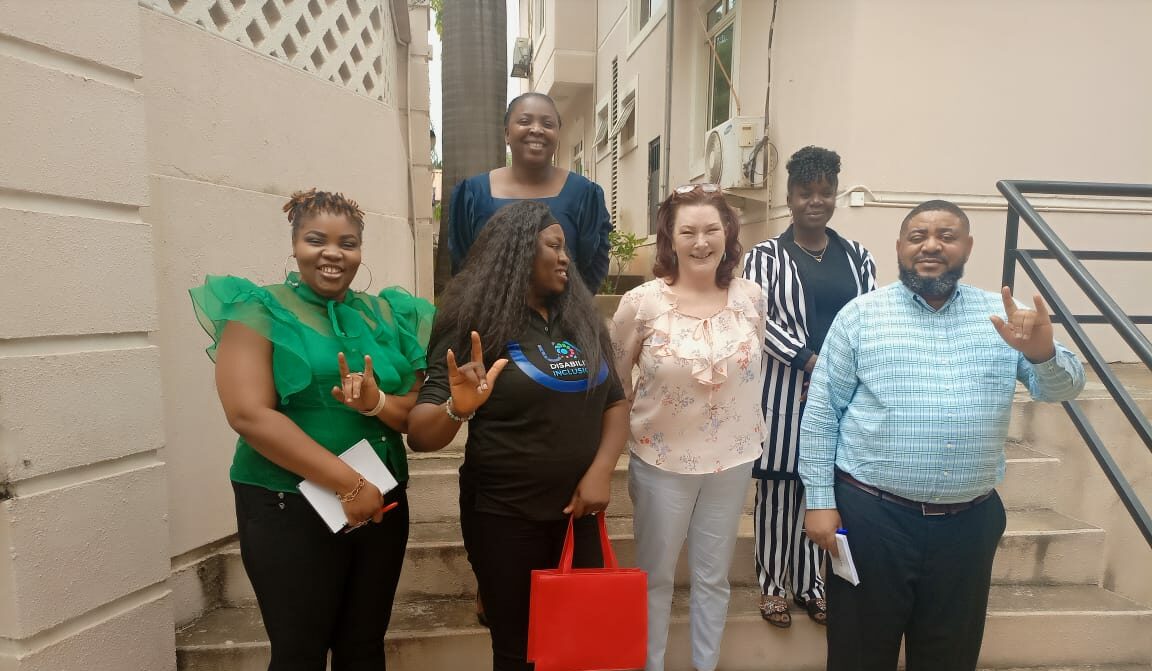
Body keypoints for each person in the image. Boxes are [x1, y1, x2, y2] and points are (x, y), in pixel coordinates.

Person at [799, 200, 1086, 671]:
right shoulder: (861, 316)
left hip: (968, 527)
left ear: (967, 247)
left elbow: (1064, 389)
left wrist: (1042, 354)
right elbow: (822, 415)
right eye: (918, 236)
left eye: (946, 236)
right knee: (858, 654)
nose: (931, 246)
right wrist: (819, 501)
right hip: (872, 519)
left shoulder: (1004, 316)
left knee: (950, 657)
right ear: (899, 247)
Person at [189, 189, 435, 670]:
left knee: (363, 647)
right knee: (299, 652)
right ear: (295, 244)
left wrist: (377, 402)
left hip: (381, 502)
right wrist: (348, 483)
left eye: (347, 243)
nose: (332, 253)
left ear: (360, 250)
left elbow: (413, 408)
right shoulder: (257, 310)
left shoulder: (387, 314)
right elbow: (248, 414)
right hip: (289, 502)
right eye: (316, 240)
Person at [407, 200, 630, 671]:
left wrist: (601, 471)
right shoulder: (474, 326)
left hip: (578, 516)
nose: (565, 257)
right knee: (519, 651)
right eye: (554, 246)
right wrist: (457, 407)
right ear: (518, 250)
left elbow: (615, 401)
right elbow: (421, 435)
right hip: (505, 519)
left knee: (576, 648)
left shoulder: (580, 320)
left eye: (566, 248)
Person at [611, 184, 766, 671]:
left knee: (713, 578)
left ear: (728, 234)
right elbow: (617, 382)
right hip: (661, 461)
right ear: (670, 239)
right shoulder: (642, 303)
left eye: (711, 230)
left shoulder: (751, 298)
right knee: (655, 576)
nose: (701, 242)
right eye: (688, 232)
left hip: (732, 460)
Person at [741, 146, 876, 628]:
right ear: (790, 197)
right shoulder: (765, 257)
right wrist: (810, 361)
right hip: (783, 391)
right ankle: (773, 586)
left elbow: (868, 319)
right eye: (805, 192)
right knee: (780, 492)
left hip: (840, 395)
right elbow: (758, 319)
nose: (815, 201)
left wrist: (839, 372)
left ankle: (811, 585)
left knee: (820, 490)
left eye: (825, 191)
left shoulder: (858, 257)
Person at [448, 92, 613, 293]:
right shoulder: (472, 195)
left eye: (548, 124)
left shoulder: (584, 195)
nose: (536, 129)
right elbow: (463, 267)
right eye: (525, 121)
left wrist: (571, 308)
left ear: (558, 134)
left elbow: (593, 267)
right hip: (487, 311)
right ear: (507, 134)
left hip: (565, 311)